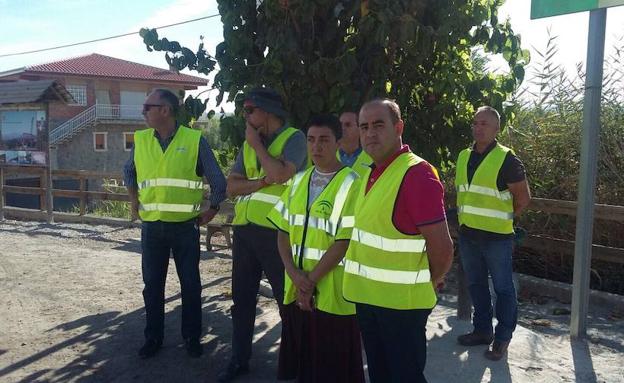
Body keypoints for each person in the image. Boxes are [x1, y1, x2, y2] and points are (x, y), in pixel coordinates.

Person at [342, 99, 454, 383]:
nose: (370, 133)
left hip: (402, 308)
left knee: (404, 376)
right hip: (368, 299)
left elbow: (442, 248)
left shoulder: (416, 173)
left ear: (399, 127)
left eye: (379, 125)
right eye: (364, 127)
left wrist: (430, 279)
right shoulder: (368, 171)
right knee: (381, 375)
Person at [123, 89, 227, 359]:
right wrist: (134, 201)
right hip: (152, 228)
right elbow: (129, 171)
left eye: (147, 107)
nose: (143, 111)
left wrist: (213, 208)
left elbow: (218, 181)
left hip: (184, 227)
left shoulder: (194, 140)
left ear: (165, 110)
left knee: (191, 285)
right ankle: (153, 338)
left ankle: (192, 338)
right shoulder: (142, 139)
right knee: (152, 286)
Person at [218, 87, 307, 382]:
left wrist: (257, 147)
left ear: (268, 111)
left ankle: (295, 366)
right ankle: (238, 360)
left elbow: (282, 175)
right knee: (242, 301)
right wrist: (260, 181)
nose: (246, 116)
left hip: (278, 236)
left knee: (287, 302)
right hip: (245, 234)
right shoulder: (249, 146)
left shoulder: (295, 139)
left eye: (250, 110)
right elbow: (231, 187)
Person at [268, 114, 365, 383]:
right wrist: (295, 276)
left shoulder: (352, 183)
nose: (316, 147)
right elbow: (282, 232)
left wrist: (309, 282)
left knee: (332, 368)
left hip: (333, 295)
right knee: (304, 366)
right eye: (311, 140)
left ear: (338, 142)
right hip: (296, 290)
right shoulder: (299, 180)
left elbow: (344, 242)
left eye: (324, 140)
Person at [455, 106, 531, 361]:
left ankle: (502, 338)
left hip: (497, 238)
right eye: (475, 123)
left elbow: (523, 198)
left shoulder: (507, 159)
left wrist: (504, 220)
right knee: (476, 285)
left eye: (484, 123)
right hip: (469, 236)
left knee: (503, 288)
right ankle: (482, 330)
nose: (478, 127)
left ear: (497, 129)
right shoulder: (463, 156)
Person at [338, 111, 372, 177]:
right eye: (340, 125)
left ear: (360, 129)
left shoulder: (372, 158)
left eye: (348, 125)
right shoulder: (329, 156)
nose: (342, 128)